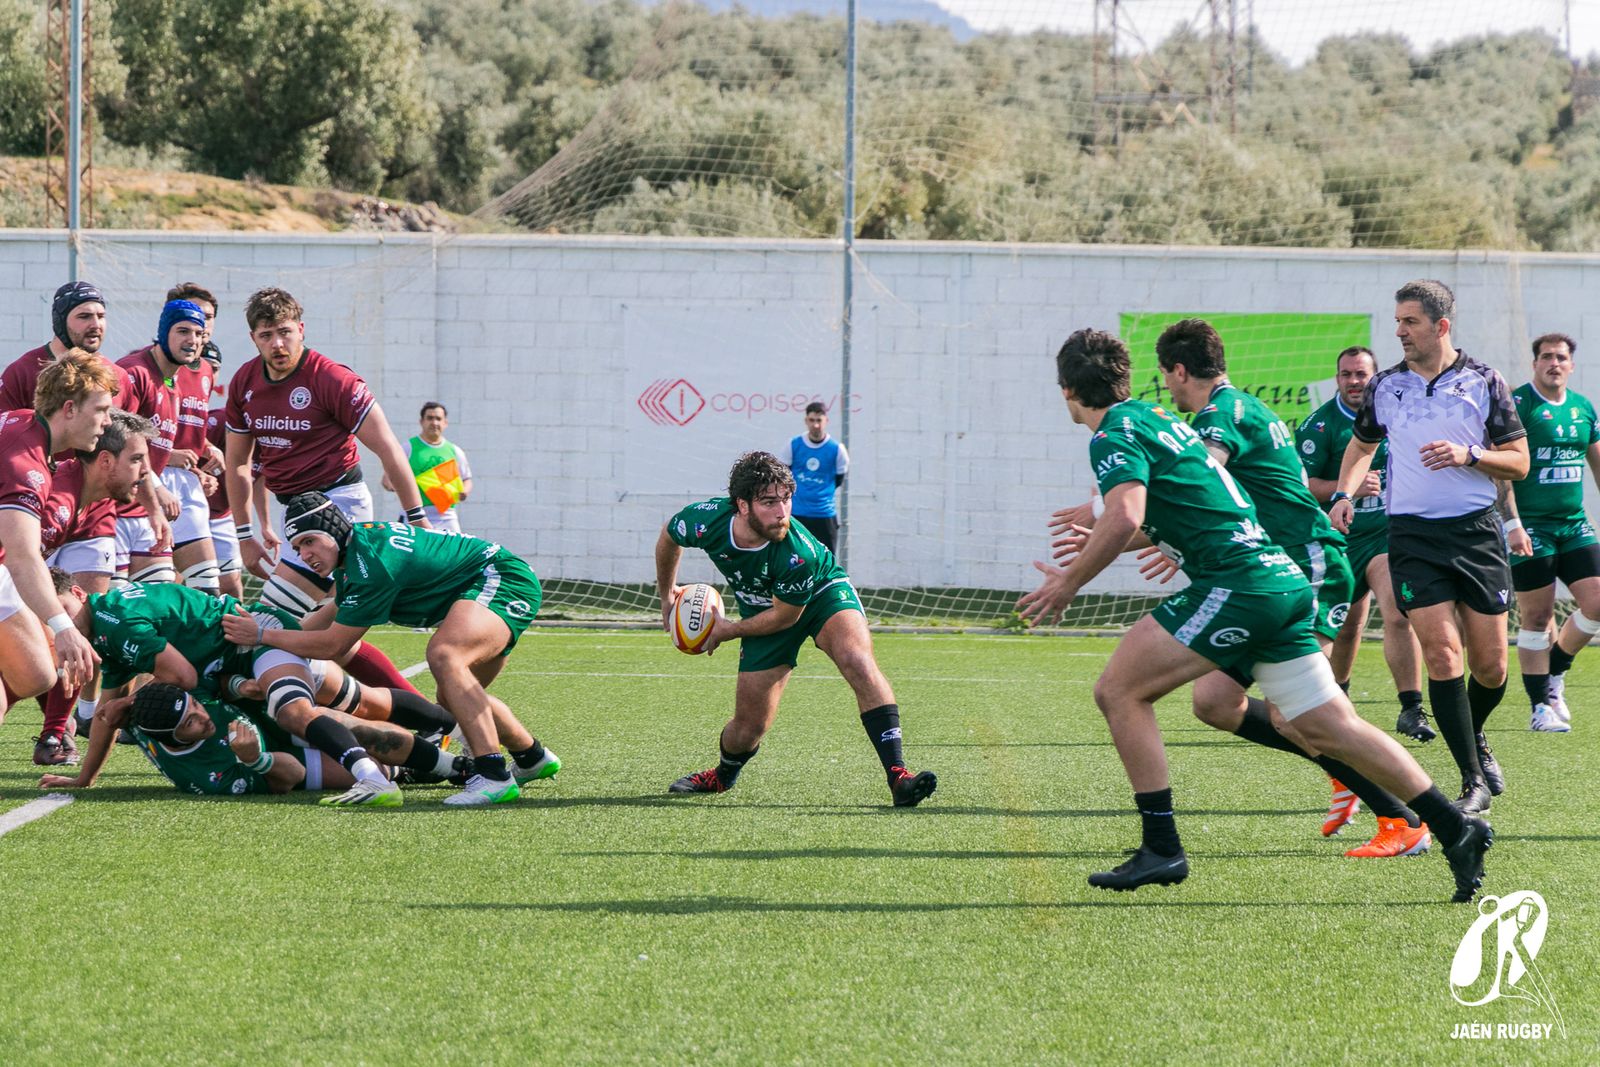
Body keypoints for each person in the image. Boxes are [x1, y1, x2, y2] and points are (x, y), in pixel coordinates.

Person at [1019, 327, 1489, 901]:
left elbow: (1125, 514)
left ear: (1067, 390)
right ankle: (1455, 827)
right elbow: (1195, 496)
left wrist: (1069, 582)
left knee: (1119, 691)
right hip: (1278, 579)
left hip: (1240, 582)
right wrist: (1161, 538)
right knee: (1325, 725)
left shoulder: (1115, 433)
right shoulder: (1155, 417)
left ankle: (1162, 847)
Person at [1139, 320, 1429, 859]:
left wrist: (1128, 522)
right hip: (1271, 578)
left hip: (1308, 567)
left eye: (1165, 376)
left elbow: (1199, 488)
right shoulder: (1243, 408)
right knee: (1215, 703)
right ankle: (1347, 774)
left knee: (1301, 716)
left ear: (1178, 371)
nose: (1167, 388)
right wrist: (1159, 534)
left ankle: (1406, 817)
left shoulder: (1220, 416)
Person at [219, 493, 560, 807]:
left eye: (310, 541)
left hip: (500, 577)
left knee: (445, 655)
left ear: (332, 530)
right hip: (488, 580)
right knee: (450, 697)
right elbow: (319, 623)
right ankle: (531, 756)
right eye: (297, 547)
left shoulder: (370, 563)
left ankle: (492, 773)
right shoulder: (357, 554)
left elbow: (333, 644)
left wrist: (261, 635)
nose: (304, 555)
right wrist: (264, 647)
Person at [1331, 280, 1529, 816]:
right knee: (1442, 655)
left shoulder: (1485, 381)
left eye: (1410, 322)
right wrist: (1345, 493)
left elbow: (1519, 462)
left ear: (1440, 326)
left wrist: (1469, 455)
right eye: (1397, 321)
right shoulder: (1385, 386)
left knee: (1491, 669)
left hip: (1476, 534)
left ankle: (1475, 734)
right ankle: (1472, 781)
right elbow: (1361, 445)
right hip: (1412, 537)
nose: (1399, 331)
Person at [653, 451, 936, 807]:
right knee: (748, 728)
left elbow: (786, 617)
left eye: (786, 499)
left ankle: (899, 777)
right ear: (742, 505)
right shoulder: (705, 521)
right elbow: (669, 537)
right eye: (769, 502)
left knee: (857, 661)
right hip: (763, 610)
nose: (782, 512)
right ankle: (722, 776)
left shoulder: (798, 552)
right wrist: (667, 595)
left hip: (821, 594)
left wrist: (730, 630)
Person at [47, 574, 417, 807]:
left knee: (319, 709)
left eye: (64, 609)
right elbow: (106, 715)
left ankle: (438, 737)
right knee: (349, 713)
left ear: (79, 593)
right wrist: (86, 778)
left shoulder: (115, 623)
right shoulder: (105, 632)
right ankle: (427, 758)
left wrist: (130, 702)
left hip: (249, 643)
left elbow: (183, 677)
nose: (62, 624)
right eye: (51, 620)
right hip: (229, 668)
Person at [220, 286, 430, 696]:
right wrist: (245, 534)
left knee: (269, 624)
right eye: (266, 335)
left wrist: (418, 518)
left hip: (337, 506)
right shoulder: (244, 381)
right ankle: (423, 715)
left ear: (301, 329)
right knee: (330, 637)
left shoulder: (331, 378)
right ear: (253, 338)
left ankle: (285, 715)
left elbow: (387, 446)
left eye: (285, 332)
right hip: (295, 513)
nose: (277, 344)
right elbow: (239, 464)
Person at [1298, 346, 1432, 744]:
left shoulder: (1397, 415)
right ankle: (1336, 699)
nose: (1355, 381)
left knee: (1398, 612)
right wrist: (1346, 489)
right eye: (1347, 374)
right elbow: (1301, 486)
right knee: (1346, 626)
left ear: (1375, 377)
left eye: (1362, 374)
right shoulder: (1319, 426)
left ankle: (1411, 707)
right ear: (1337, 379)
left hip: (1385, 536)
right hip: (1339, 539)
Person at [42, 680, 455, 799]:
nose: (203, 717)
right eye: (191, 723)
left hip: (270, 717)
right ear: (172, 739)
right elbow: (289, 777)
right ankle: (434, 768)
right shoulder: (205, 776)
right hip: (277, 759)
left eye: (196, 706)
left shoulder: (148, 714)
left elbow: (107, 719)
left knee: (349, 723)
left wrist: (85, 778)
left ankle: (444, 728)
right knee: (373, 767)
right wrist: (257, 759)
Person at [0, 352, 117, 724]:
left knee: (35, 672)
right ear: (69, 409)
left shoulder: (23, 423)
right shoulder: (26, 466)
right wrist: (63, 627)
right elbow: (21, 557)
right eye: (101, 410)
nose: (108, 421)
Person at [31, 410, 154, 763]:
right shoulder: (57, 505)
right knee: (47, 642)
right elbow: (15, 566)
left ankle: (55, 734)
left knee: (77, 622)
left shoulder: (88, 498)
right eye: (136, 459)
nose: (146, 472)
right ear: (105, 461)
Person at [1501, 332, 1600, 732]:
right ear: (1535, 364)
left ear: (1571, 365)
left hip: (1574, 524)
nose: (1554, 363)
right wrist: (1512, 524)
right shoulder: (1519, 405)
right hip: (1532, 527)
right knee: (1537, 616)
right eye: (1546, 357)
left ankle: (1556, 669)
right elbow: (1502, 472)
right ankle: (1540, 707)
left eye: (1560, 357)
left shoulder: (1583, 408)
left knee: (1597, 602)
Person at [114, 299, 217, 589]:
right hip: (116, 510)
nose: (192, 340)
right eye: (183, 331)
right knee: (111, 605)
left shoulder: (172, 381)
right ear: (163, 333)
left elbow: (154, 448)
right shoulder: (134, 372)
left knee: (191, 592)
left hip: (145, 506)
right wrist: (157, 489)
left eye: (198, 334)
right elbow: (119, 437)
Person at [158, 283, 228, 596]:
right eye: (191, 315)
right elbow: (131, 430)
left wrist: (206, 455)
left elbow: (185, 430)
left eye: (207, 317)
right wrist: (167, 456)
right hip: (150, 481)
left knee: (209, 585)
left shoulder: (206, 371)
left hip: (186, 484)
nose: (201, 322)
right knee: (155, 585)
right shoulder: (152, 365)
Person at [382, 402, 472, 534]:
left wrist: (464, 491)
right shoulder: (408, 448)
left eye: (438, 419)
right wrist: (395, 486)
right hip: (413, 515)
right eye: (430, 418)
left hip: (447, 517)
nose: (434, 422)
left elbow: (467, 479)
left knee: (452, 548)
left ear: (445, 423)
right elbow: (387, 479)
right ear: (421, 421)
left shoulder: (454, 451)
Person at [776, 402, 848, 553]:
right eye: (812, 420)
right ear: (806, 421)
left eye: (819, 420)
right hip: (796, 513)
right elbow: (783, 477)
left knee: (826, 560)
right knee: (793, 558)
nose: (816, 425)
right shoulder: (793, 445)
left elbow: (838, 480)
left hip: (824, 515)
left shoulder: (837, 449)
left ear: (826, 421)